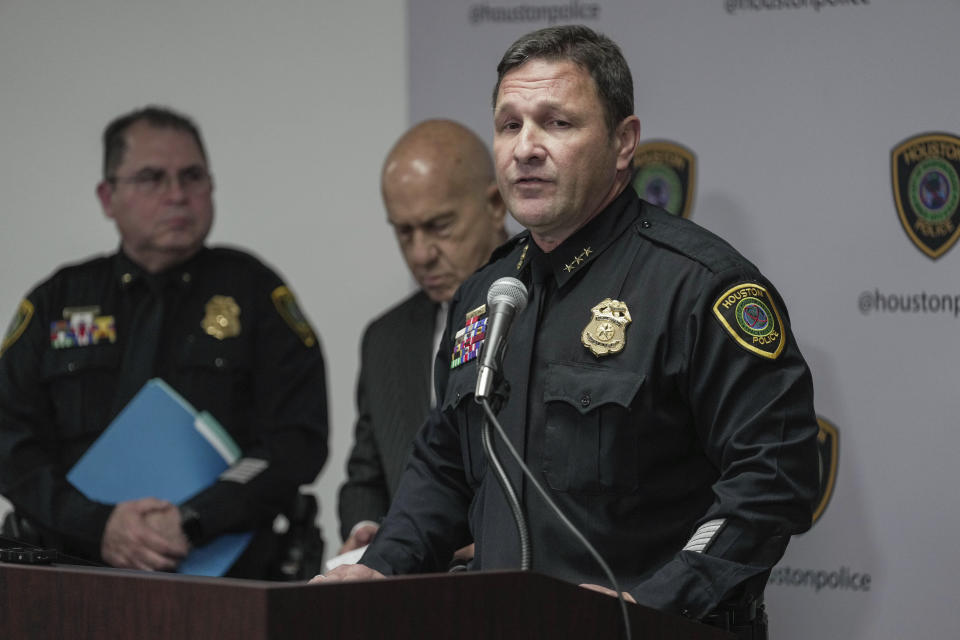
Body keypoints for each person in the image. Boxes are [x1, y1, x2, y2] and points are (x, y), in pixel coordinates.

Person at [315, 25, 819, 638]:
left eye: (557, 123)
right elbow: (445, 466)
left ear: (623, 141)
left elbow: (773, 479)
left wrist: (652, 603)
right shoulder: (486, 294)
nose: (525, 147)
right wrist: (382, 568)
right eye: (509, 125)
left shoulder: (699, 286)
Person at [0, 106, 329, 579]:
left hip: (224, 575)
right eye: (152, 178)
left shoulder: (255, 293)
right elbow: (12, 443)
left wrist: (194, 520)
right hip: (70, 575)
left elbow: (296, 440)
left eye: (192, 176)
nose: (177, 195)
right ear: (107, 196)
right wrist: (99, 525)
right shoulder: (58, 302)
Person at [336, 120, 507, 558]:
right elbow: (366, 476)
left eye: (440, 226)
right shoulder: (385, 339)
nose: (420, 255)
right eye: (404, 232)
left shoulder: (553, 308)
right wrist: (368, 527)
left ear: (495, 204)